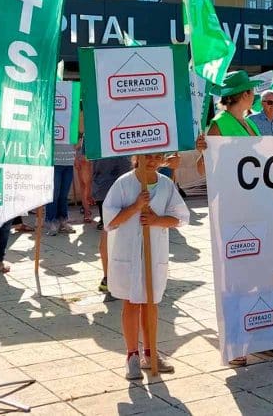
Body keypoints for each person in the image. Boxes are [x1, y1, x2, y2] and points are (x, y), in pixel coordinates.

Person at [195, 71, 273, 366]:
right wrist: (202, 151)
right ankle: (235, 343)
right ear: (244, 94)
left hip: (259, 207)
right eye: (251, 91)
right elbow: (202, 170)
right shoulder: (219, 124)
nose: (255, 95)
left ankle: (264, 339)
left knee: (264, 273)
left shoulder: (250, 124)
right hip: (234, 209)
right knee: (238, 277)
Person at [103, 153, 191, 380]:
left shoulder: (166, 185)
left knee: (150, 302)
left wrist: (156, 220)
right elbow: (109, 221)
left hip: (154, 252)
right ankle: (132, 355)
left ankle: (151, 353)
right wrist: (135, 207)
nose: (152, 161)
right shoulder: (124, 183)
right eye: (147, 156)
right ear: (137, 157)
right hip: (128, 253)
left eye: (157, 157)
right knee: (132, 302)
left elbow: (180, 218)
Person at [94, 155, 136, 302]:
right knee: (110, 231)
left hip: (114, 183)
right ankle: (110, 278)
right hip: (112, 184)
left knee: (111, 231)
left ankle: (110, 278)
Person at [50, 129, 78, 237]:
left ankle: (63, 220)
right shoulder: (52, 120)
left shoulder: (71, 121)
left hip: (68, 162)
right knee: (54, 194)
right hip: (54, 161)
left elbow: (76, 141)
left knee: (64, 195)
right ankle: (52, 221)